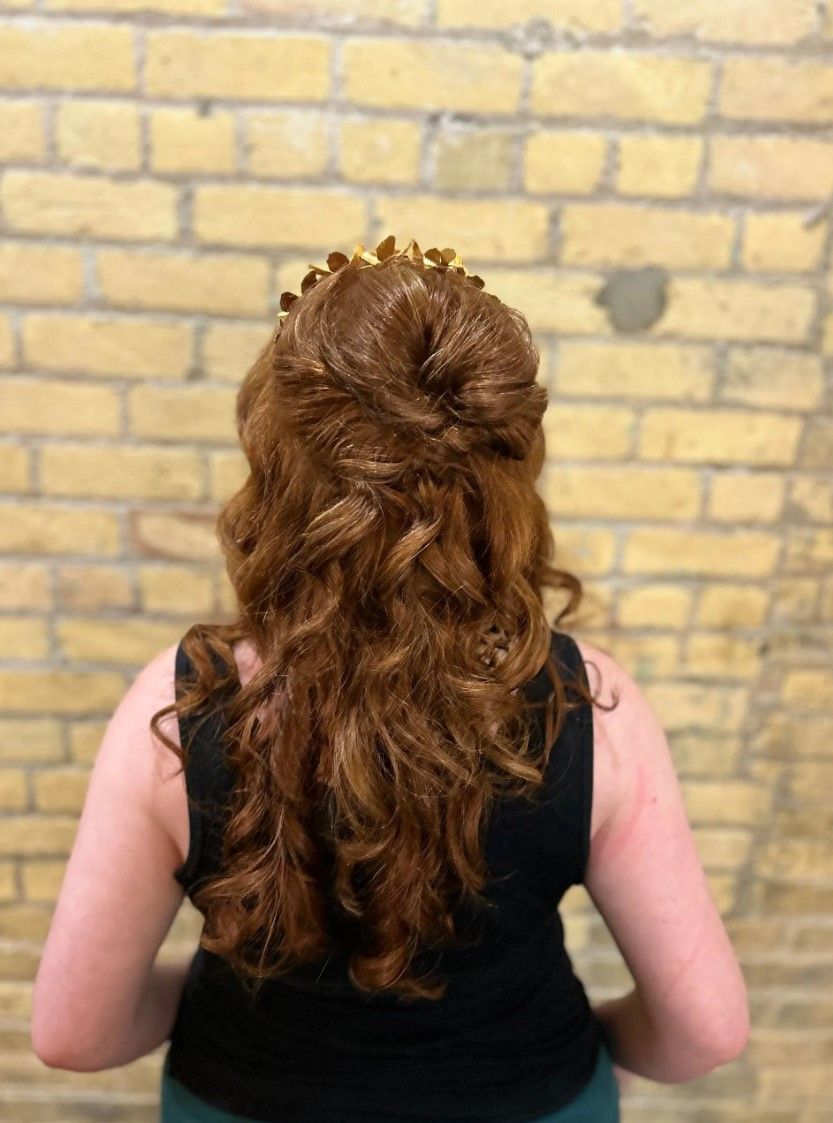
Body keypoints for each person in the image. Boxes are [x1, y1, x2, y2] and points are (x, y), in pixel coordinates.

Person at [31, 236, 750, 1122]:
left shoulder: (178, 710)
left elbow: (74, 1031)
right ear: (507, 469)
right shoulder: (590, 704)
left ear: (279, 468)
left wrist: (204, 1004)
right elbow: (706, 1030)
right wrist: (590, 1038)